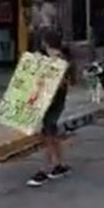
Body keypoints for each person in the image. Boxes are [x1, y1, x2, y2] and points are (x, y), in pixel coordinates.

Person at [26, 30, 74, 187]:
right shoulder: (45, 57)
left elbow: (64, 83)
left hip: (54, 101)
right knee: (49, 133)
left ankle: (43, 169)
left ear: (45, 42)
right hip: (46, 100)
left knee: (48, 132)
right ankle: (59, 165)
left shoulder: (60, 59)